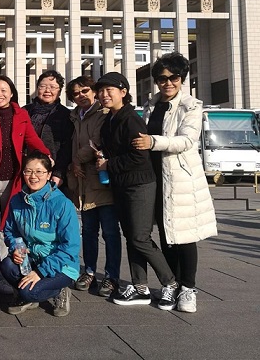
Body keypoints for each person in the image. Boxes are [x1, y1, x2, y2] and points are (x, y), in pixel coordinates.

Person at [132, 52, 217, 313]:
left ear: (182, 79)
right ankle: (174, 284)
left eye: (174, 77)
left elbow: (187, 140)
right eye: (162, 78)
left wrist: (153, 142)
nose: (168, 83)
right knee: (166, 236)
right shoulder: (151, 105)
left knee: (184, 236)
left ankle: (189, 288)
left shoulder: (190, 106)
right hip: (155, 178)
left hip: (180, 179)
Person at [94, 72, 178, 310]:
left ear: (123, 92)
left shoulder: (131, 119)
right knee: (131, 236)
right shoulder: (110, 119)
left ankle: (170, 283)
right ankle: (140, 287)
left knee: (140, 237)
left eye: (109, 90)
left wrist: (109, 164)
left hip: (139, 185)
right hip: (121, 184)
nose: (104, 94)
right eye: (101, 91)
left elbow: (139, 156)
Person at [0, 75, 51, 294]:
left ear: (12, 93)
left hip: (14, 179)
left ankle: (9, 267)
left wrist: (46, 155)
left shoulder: (21, 115)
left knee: (10, 225)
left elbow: (31, 139)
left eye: (4, 90)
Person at [1, 152, 80, 316]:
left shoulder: (62, 204)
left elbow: (70, 247)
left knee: (29, 292)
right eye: (28, 171)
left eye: (39, 171)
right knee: (7, 266)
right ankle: (29, 292)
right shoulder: (17, 201)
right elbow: (10, 231)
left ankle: (60, 289)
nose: (33, 176)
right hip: (33, 258)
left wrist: (40, 272)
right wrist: (16, 248)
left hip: (61, 266)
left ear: (49, 175)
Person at [67, 76, 121, 298]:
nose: (81, 96)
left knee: (110, 231)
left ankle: (112, 276)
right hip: (83, 182)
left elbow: (95, 142)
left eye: (85, 90)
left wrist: (76, 160)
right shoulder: (75, 116)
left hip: (101, 179)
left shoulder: (103, 113)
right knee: (88, 231)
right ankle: (89, 271)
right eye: (76, 93)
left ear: (94, 91)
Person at [24, 70, 73, 190]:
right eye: (43, 86)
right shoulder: (24, 111)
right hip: (26, 171)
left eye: (52, 87)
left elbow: (67, 147)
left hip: (52, 172)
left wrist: (58, 173)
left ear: (59, 91)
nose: (47, 91)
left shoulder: (65, 115)